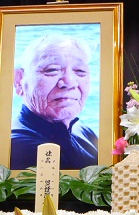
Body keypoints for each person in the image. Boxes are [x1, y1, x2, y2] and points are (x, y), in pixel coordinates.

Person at [11, 34, 99, 170]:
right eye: (52, 70)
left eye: (80, 71)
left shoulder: (82, 130)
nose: (69, 82)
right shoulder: (18, 144)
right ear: (19, 81)